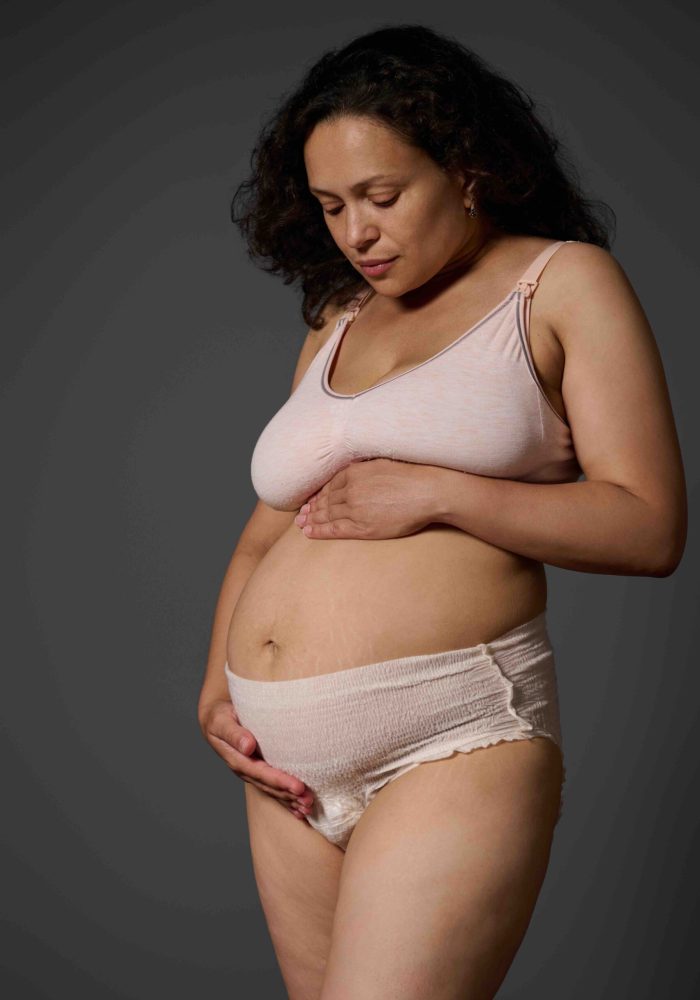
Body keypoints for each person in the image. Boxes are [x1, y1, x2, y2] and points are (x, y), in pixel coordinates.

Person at [197, 23, 687, 1000]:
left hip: (450, 735)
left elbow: (648, 525)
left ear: (466, 169)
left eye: (382, 197)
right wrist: (217, 690)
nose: (356, 233)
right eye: (332, 206)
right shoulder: (336, 320)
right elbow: (269, 527)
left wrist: (440, 490)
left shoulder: (558, 285)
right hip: (284, 771)